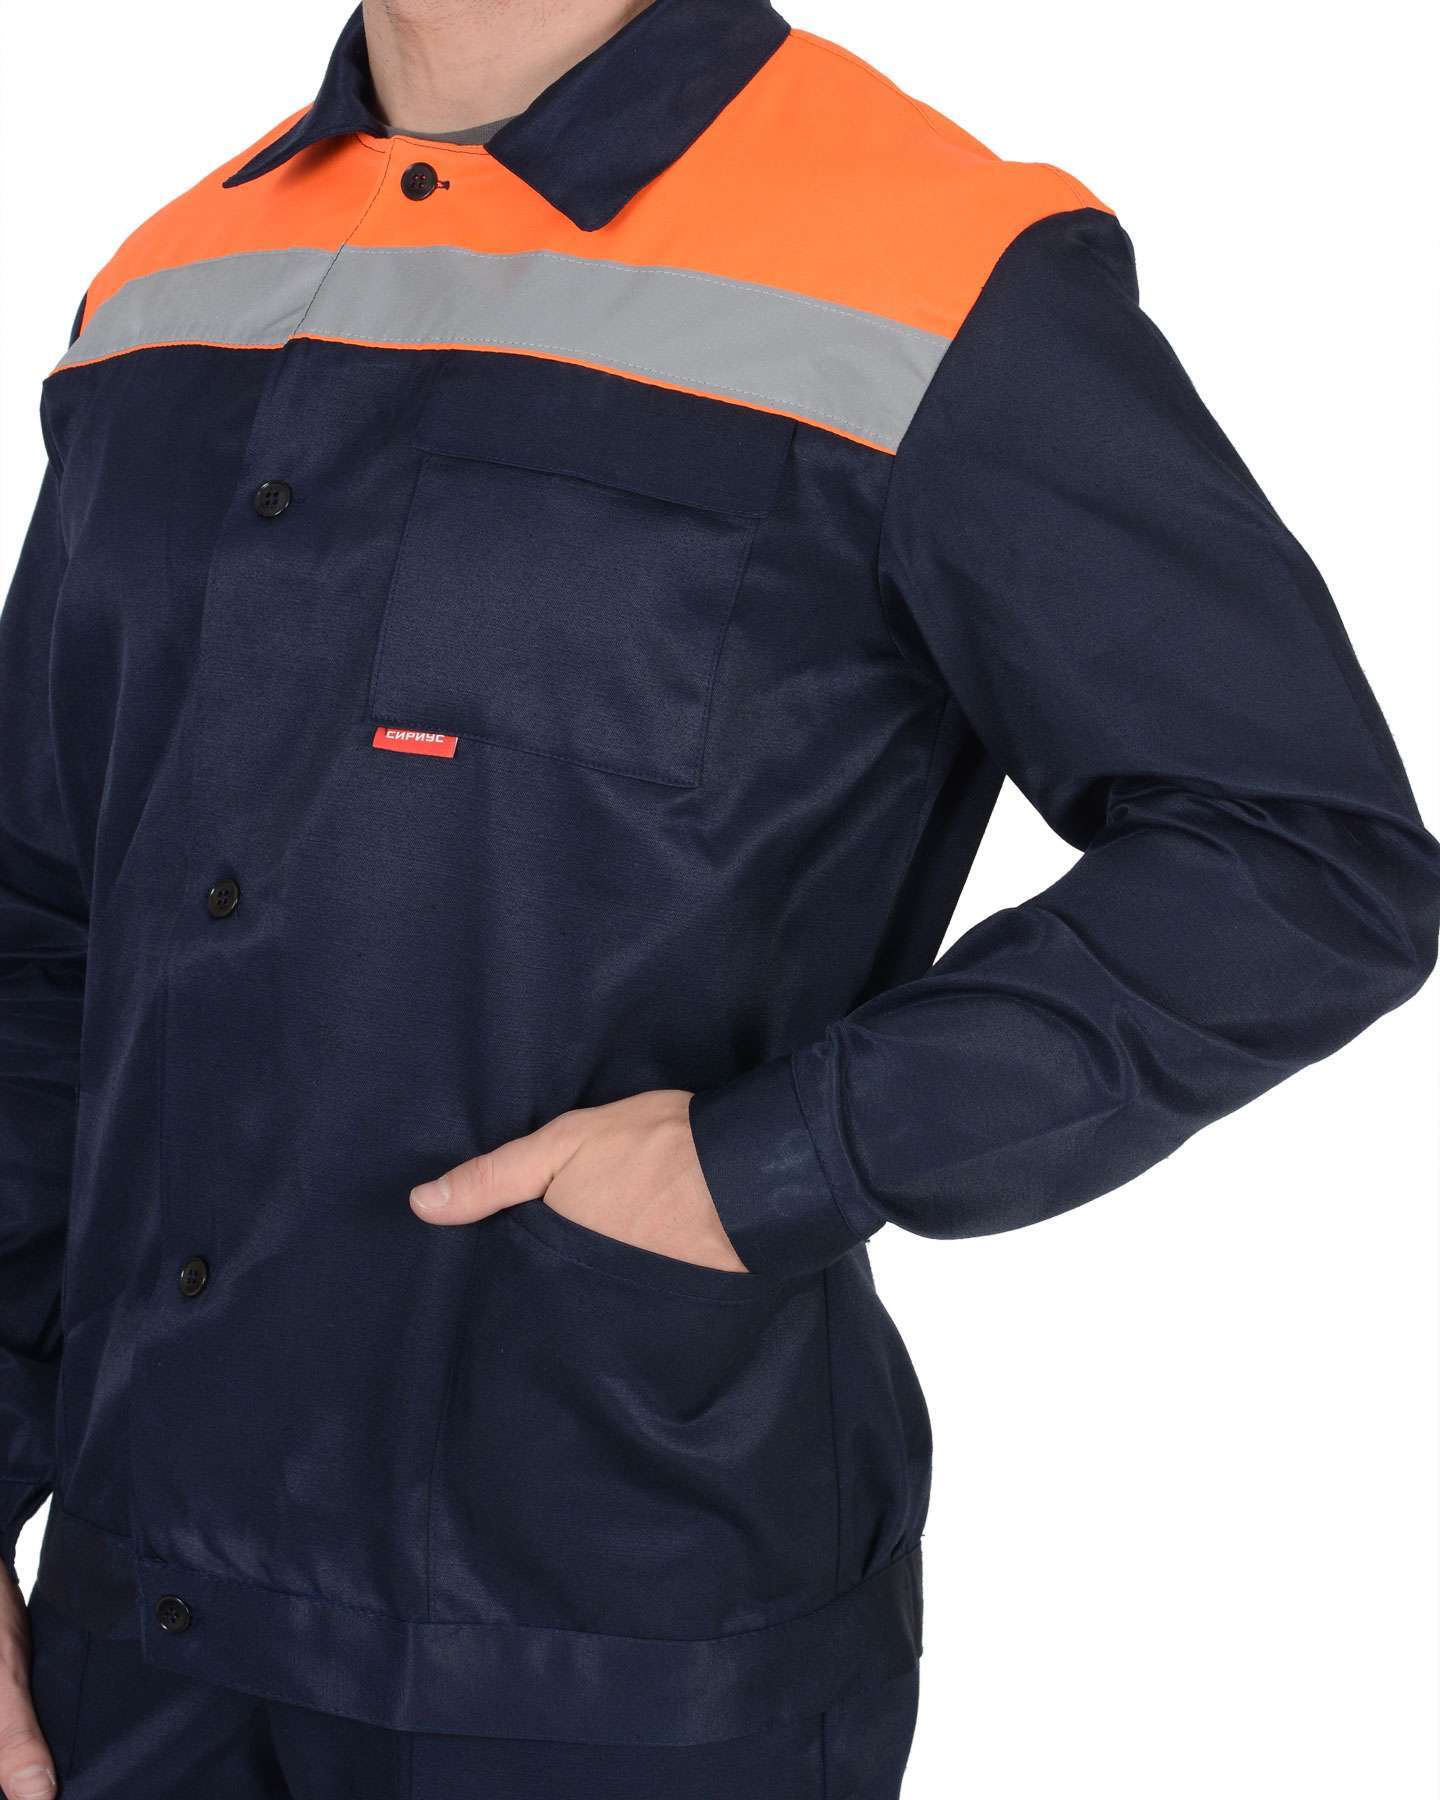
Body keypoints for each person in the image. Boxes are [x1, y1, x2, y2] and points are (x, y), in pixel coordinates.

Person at [1, 0, 1435, 1794]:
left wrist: (787, 1158)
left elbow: (1302, 853)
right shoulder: (169, 281)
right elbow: (41, 929)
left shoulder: (933, 265)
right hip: (135, 1647)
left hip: (618, 1651)